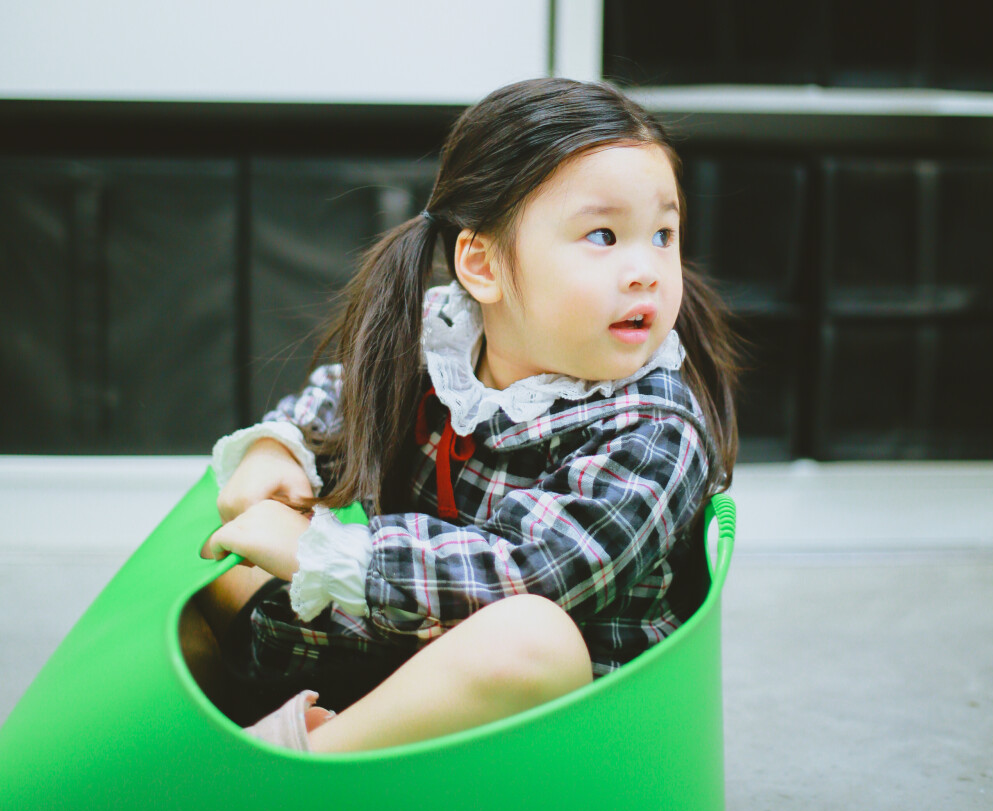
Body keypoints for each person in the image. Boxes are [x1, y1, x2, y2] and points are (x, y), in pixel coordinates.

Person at [186, 77, 740, 754]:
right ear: (481, 265)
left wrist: (322, 554)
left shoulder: (655, 430)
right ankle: (242, 725)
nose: (647, 269)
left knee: (529, 636)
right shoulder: (444, 341)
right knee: (226, 561)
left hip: (554, 719)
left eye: (662, 233)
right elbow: (342, 394)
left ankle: (296, 773)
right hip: (414, 634)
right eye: (604, 234)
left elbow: (534, 571)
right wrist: (283, 450)